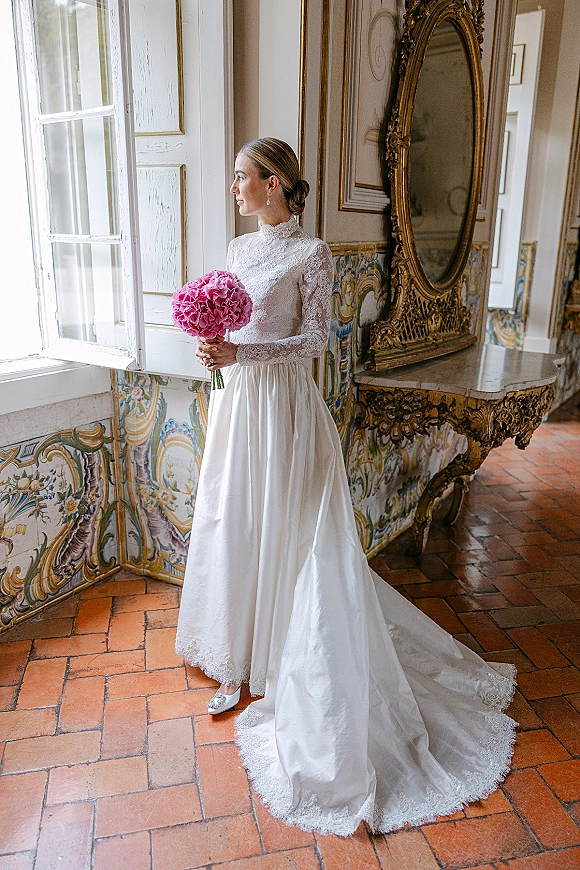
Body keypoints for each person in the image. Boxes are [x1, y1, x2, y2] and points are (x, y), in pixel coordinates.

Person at [175, 137, 517, 837]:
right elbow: (235, 323)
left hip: (286, 407)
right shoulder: (240, 251)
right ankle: (238, 656)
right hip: (241, 402)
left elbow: (313, 343)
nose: (234, 187)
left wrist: (244, 351)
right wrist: (215, 347)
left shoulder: (313, 254)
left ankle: (281, 656)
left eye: (243, 177)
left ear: (274, 184)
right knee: (237, 516)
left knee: (288, 524)